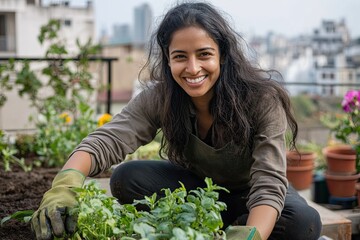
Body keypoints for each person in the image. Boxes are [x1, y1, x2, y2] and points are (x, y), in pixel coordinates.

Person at [31, 2, 322, 240]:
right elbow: (107, 140)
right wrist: (64, 187)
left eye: (204, 54)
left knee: (303, 223)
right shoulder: (161, 97)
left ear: (222, 56)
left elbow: (270, 183)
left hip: (254, 194)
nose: (193, 68)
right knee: (126, 178)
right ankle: (218, 224)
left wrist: (249, 236)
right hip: (202, 194)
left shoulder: (261, 99)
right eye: (180, 56)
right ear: (168, 60)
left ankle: (239, 227)